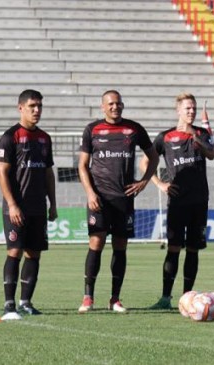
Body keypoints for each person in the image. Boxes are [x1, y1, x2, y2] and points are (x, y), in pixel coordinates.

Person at [78, 90, 159, 313]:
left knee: (120, 247)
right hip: (99, 198)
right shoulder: (92, 129)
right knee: (96, 243)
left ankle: (115, 299)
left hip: (124, 199)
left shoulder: (133, 129)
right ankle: (88, 297)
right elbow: (82, 165)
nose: (116, 107)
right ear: (103, 106)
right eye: (111, 104)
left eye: (119, 103)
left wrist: (143, 181)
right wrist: (90, 193)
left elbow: (154, 156)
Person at [141, 93, 214, 310]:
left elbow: (211, 154)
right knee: (174, 248)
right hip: (177, 202)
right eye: (188, 108)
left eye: (193, 108)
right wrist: (159, 184)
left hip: (199, 200)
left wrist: (198, 141)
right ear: (178, 111)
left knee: (193, 249)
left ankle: (187, 297)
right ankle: (165, 297)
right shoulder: (165, 137)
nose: (191, 112)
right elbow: (145, 162)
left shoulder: (202, 133)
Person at [0, 89, 57, 319]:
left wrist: (53, 203)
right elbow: (1, 173)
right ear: (20, 107)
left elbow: (49, 174)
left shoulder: (44, 138)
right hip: (16, 207)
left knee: (34, 254)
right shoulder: (10, 137)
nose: (37, 110)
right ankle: (9, 305)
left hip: (38, 207)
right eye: (32, 106)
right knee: (14, 251)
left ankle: (26, 302)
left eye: (39, 106)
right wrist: (12, 205)